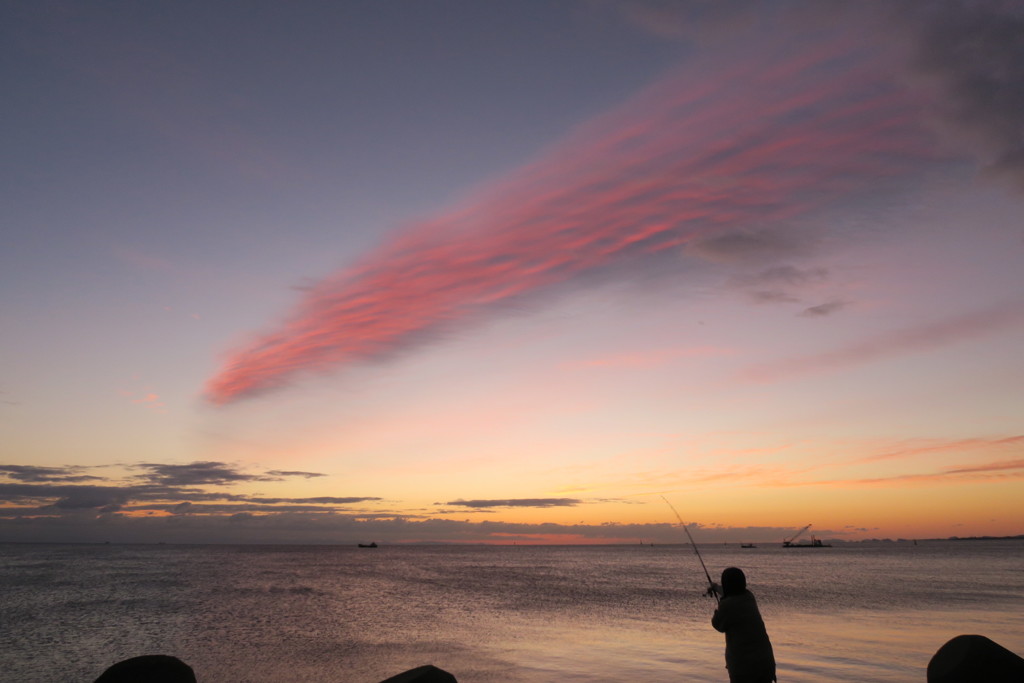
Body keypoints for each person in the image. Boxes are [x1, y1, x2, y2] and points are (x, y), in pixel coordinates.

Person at [711, 567, 777, 683]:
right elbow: (730, 593)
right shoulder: (748, 596)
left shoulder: (727, 605)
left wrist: (720, 604)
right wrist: (716, 588)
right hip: (765, 663)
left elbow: (718, 624)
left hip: (744, 667)